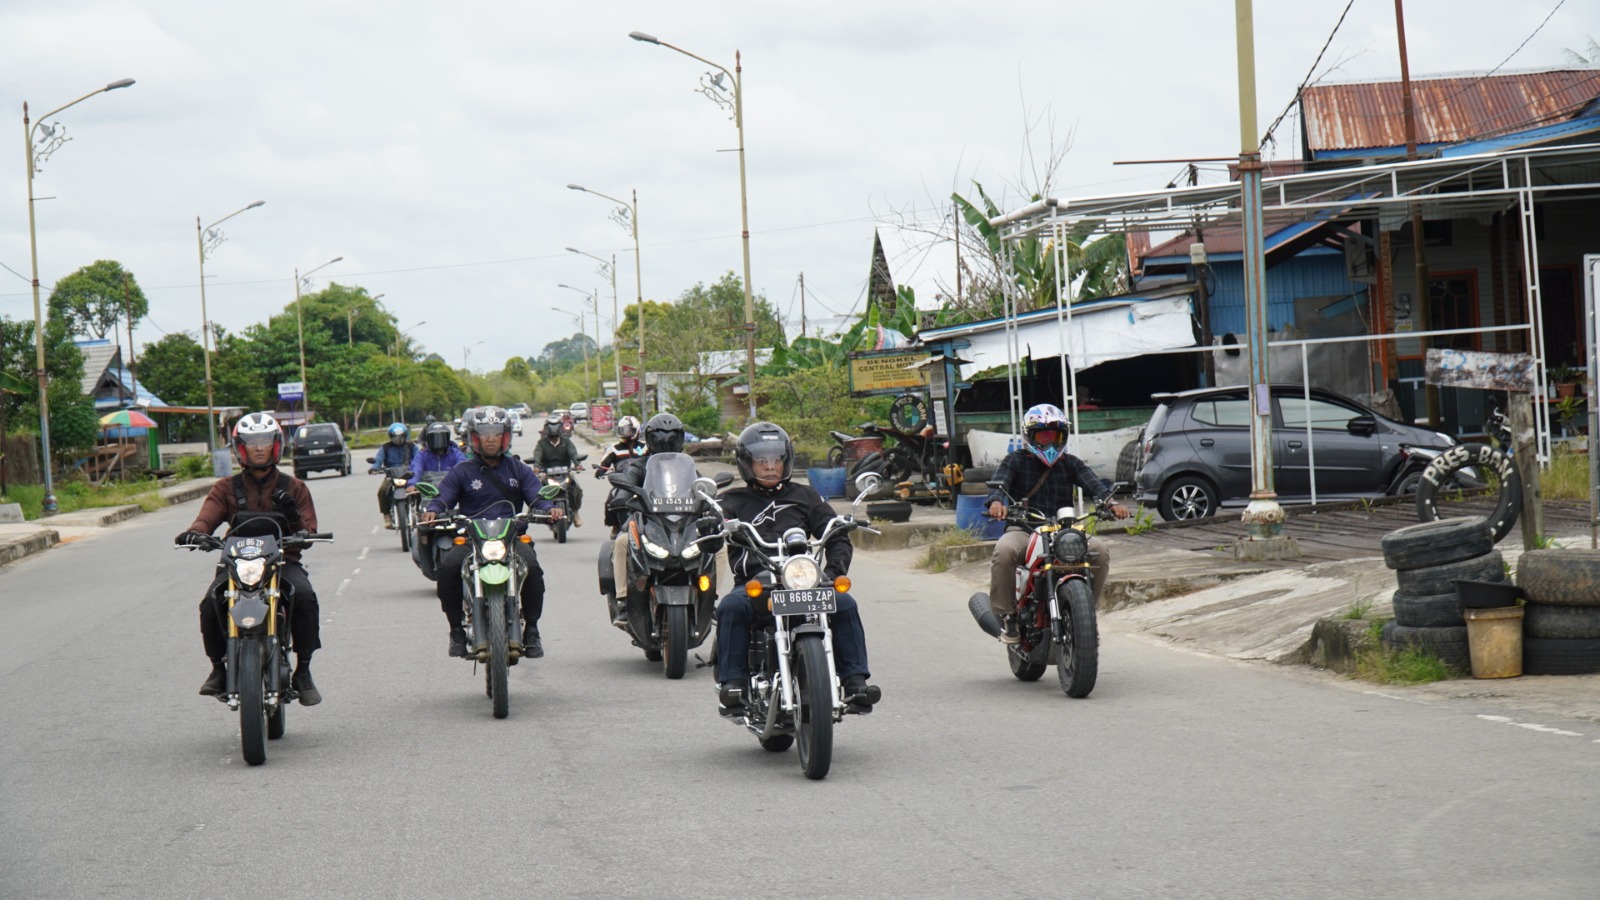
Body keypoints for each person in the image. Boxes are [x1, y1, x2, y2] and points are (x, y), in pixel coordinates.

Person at [713, 421, 879, 715]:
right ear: (747, 463)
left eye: (775, 459)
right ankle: (733, 684)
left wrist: (833, 572)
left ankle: (855, 682)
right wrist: (708, 526)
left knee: (844, 602)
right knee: (731, 607)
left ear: (785, 460)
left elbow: (834, 532)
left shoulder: (805, 496)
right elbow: (711, 534)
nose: (769, 466)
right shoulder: (730, 501)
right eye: (761, 460)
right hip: (756, 582)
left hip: (801, 581)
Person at [175, 412, 324, 705]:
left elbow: (309, 532)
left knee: (305, 597)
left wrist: (294, 518)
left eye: (265, 441)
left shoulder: (295, 487)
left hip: (281, 563)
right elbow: (205, 520)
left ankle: (303, 670)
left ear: (276, 445)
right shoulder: (225, 488)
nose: (259, 447)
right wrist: (195, 533)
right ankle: (218, 668)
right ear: (240, 447)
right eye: (252, 442)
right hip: (237, 566)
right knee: (210, 603)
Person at [421, 406, 563, 659]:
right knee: (449, 570)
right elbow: (442, 497)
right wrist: (433, 509)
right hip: (472, 539)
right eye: (484, 434)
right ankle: (456, 631)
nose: (490, 438)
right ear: (474, 437)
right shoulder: (462, 470)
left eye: (496, 433)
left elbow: (537, 497)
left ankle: (532, 630)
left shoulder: (518, 469)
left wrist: (549, 508)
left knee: (533, 569)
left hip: (511, 537)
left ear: (505, 437)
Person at [985, 403, 1130, 643]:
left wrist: (1111, 504)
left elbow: (1095, 486)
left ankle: (1085, 614)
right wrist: (996, 503)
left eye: (1055, 435)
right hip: (1025, 529)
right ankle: (1008, 616)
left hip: (1063, 532)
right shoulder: (1015, 460)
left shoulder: (1071, 463)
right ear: (1030, 436)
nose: (1049, 442)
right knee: (1004, 550)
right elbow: (1000, 485)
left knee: (1100, 551)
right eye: (1043, 435)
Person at [607, 412, 685, 623]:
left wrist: (712, 501)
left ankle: (709, 597)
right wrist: (622, 496)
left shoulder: (688, 466)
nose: (666, 442)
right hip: (646, 521)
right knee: (622, 542)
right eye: (661, 437)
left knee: (716, 545)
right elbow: (627, 482)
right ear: (650, 439)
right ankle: (623, 601)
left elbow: (701, 486)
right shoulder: (639, 465)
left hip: (682, 522)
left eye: (672, 437)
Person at [529, 415, 584, 527]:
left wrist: (577, 464)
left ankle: (576, 512)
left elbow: (573, 453)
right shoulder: (542, 443)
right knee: (536, 490)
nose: (553, 430)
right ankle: (530, 512)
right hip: (546, 474)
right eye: (551, 426)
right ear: (547, 428)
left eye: (556, 426)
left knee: (577, 489)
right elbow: (537, 454)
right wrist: (536, 466)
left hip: (565, 473)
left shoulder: (567, 442)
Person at [369, 422, 417, 529]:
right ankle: (387, 516)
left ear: (405, 435)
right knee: (382, 491)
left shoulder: (411, 447)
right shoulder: (385, 448)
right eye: (396, 437)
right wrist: (373, 468)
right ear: (391, 436)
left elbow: (419, 459)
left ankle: (420, 512)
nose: (398, 439)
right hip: (391, 476)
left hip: (408, 475)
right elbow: (378, 460)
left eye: (401, 436)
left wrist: (419, 468)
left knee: (420, 489)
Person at [408, 420, 467, 486]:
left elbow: (463, 468)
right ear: (429, 439)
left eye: (442, 437)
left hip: (452, 493)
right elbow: (416, 470)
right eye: (434, 438)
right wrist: (412, 484)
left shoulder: (456, 454)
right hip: (427, 494)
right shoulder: (422, 455)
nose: (439, 441)